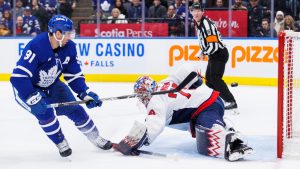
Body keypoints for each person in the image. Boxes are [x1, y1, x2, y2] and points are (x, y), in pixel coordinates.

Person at [10, 15, 112, 157]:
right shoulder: (37, 46)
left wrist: (84, 92)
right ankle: (60, 142)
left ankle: (95, 137)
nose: (70, 37)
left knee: (75, 109)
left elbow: (73, 74)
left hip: (52, 84)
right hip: (28, 88)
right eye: (68, 33)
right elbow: (18, 78)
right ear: (58, 34)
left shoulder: (69, 47)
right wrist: (31, 97)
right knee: (45, 113)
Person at [113, 64, 253, 161]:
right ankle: (226, 127)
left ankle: (233, 144)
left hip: (206, 106)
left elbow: (154, 124)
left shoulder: (155, 103)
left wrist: (130, 143)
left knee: (206, 135)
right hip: (208, 102)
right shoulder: (163, 83)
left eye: (141, 95)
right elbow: (186, 70)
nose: (141, 98)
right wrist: (195, 78)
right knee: (197, 128)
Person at [190, 2, 238, 111]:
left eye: (198, 10)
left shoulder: (206, 24)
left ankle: (231, 101)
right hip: (214, 54)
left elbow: (213, 45)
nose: (196, 13)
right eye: (194, 10)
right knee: (209, 81)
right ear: (191, 12)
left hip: (219, 53)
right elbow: (205, 42)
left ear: (203, 12)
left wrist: (204, 52)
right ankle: (219, 99)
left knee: (215, 78)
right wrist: (203, 51)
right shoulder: (198, 23)